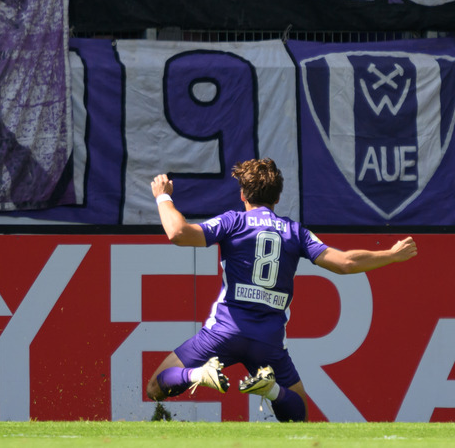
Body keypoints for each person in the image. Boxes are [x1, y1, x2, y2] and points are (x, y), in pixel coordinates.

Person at [146, 157, 418, 422]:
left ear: (243, 195)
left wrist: (163, 196)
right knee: (299, 415)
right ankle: (272, 389)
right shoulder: (295, 231)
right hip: (268, 341)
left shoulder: (234, 222)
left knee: (155, 388)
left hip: (225, 331)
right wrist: (391, 255)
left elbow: (178, 233)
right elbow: (345, 263)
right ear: (277, 199)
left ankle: (197, 375)